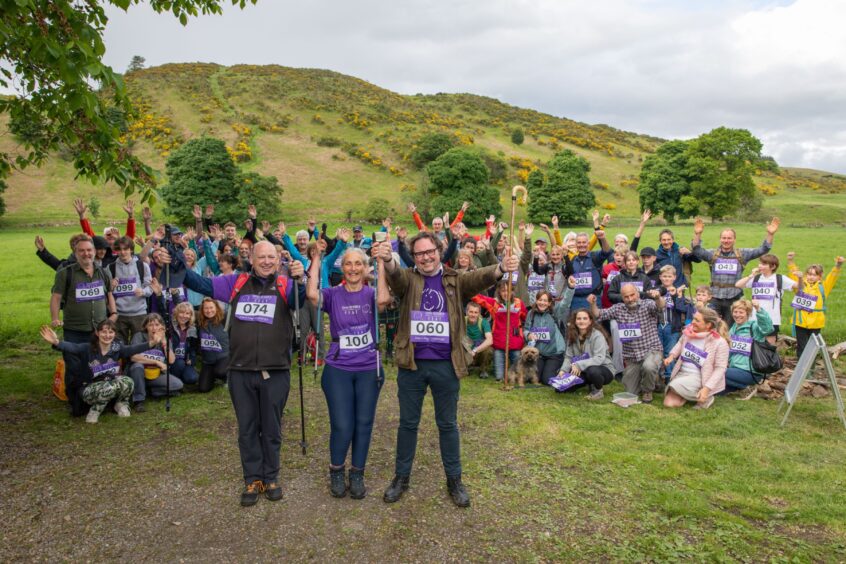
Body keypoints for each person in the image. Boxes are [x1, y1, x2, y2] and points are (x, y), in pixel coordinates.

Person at [373, 231, 518, 507]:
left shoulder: (454, 280)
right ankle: (401, 478)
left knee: (448, 424)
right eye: (419, 254)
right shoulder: (409, 279)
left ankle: (454, 480)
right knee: (407, 424)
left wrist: (501, 267)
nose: (425, 257)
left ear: (439, 252)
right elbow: (394, 273)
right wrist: (387, 259)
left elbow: (479, 277)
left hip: (446, 366)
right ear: (413, 257)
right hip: (412, 366)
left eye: (430, 252)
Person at [176, 241, 306, 506]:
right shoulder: (236, 282)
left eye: (272, 257)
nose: (267, 261)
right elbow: (200, 285)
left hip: (276, 370)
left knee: (271, 427)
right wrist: (175, 261)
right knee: (247, 428)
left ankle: (271, 476)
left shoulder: (284, 284)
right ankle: (252, 478)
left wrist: (301, 278)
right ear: (252, 258)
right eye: (262, 257)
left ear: (279, 259)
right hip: (240, 371)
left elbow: (302, 299)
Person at [306, 245, 387, 500]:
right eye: (348, 264)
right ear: (342, 267)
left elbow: (384, 300)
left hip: (368, 368)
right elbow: (311, 294)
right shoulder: (332, 294)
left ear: (365, 268)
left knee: (363, 424)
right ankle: (337, 470)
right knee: (342, 425)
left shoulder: (372, 294)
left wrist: (382, 264)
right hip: (339, 368)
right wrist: (317, 259)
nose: (353, 269)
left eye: (358, 264)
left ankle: (357, 473)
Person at [40, 319, 159, 423]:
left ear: (115, 334)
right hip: (88, 388)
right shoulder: (87, 348)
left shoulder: (117, 349)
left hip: (109, 384)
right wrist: (57, 342)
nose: (107, 335)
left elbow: (133, 348)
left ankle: (121, 404)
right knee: (108, 388)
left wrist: (152, 343)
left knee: (128, 382)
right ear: (97, 333)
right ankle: (95, 410)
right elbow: (73, 347)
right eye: (104, 332)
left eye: (111, 332)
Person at [50, 235, 117, 416]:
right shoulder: (66, 273)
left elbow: (109, 293)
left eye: (89, 250)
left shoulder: (104, 272)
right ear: (75, 253)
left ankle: (96, 399)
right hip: (74, 330)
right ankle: (76, 403)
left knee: (96, 366)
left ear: (95, 252)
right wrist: (55, 318)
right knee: (74, 368)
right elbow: (56, 297)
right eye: (82, 251)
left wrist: (114, 313)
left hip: (98, 330)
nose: (86, 254)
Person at [691, 217, 780, 321]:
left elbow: (763, 249)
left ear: (734, 239)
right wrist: (697, 234)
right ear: (720, 239)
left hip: (735, 297)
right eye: (724, 238)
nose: (726, 241)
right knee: (711, 325)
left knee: (731, 329)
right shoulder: (712, 254)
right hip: (715, 297)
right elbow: (697, 250)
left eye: (729, 238)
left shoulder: (742, 254)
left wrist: (770, 234)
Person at [589, 284, 664, 403]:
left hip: (651, 349)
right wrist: (592, 304)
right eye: (626, 297)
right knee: (630, 392)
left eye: (632, 295)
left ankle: (647, 391)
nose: (630, 299)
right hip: (632, 357)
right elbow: (598, 314)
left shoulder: (647, 304)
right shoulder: (618, 309)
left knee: (648, 366)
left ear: (638, 294)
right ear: (622, 298)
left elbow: (660, 307)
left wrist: (658, 297)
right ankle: (653, 380)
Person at [663, 307, 729, 409]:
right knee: (669, 403)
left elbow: (720, 368)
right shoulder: (688, 333)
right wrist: (671, 356)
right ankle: (694, 395)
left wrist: (707, 388)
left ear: (708, 325)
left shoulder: (719, 342)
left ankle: (706, 395)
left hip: (700, 377)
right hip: (682, 373)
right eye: (694, 318)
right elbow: (680, 344)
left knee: (674, 386)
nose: (692, 322)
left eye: (697, 320)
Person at [787, 254, 843, 357]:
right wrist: (790, 261)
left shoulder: (823, 288)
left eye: (814, 274)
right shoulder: (800, 285)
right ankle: (802, 370)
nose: (811, 276)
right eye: (809, 274)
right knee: (801, 347)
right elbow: (794, 275)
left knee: (813, 347)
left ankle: (811, 368)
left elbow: (832, 277)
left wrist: (838, 265)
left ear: (820, 276)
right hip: (800, 322)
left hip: (816, 323)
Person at [472, 279, 528, 382]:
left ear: (513, 291)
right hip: (499, 344)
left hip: (515, 343)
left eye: (509, 290)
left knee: (518, 375)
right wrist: (468, 286)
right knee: (499, 377)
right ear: (499, 292)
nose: (506, 293)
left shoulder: (519, 303)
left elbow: (527, 318)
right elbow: (478, 298)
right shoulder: (494, 303)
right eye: (503, 290)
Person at [735, 253, 797, 343]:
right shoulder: (756, 278)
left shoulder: (780, 278)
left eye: (764, 264)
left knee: (769, 346)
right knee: (754, 344)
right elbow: (738, 285)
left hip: (772, 319)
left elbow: (798, 286)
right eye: (760, 263)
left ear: (772, 266)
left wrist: (796, 272)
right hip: (754, 318)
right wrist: (751, 275)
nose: (760, 266)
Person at [127, 313, 184, 409]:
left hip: (156, 374)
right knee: (137, 366)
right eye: (150, 325)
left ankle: (152, 391)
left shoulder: (165, 339)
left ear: (162, 326)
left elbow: (171, 360)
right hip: (138, 373)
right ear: (146, 326)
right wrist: (156, 362)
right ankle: (139, 400)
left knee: (178, 385)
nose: (154, 328)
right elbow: (133, 357)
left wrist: (164, 343)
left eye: (157, 325)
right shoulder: (139, 336)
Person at [557, 309, 615, 399]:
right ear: (575, 321)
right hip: (582, 370)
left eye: (585, 318)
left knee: (592, 371)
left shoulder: (597, 335)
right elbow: (568, 357)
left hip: (603, 369)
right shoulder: (572, 335)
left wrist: (578, 365)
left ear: (590, 321)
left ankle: (598, 391)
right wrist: (563, 371)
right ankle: (589, 383)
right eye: (579, 318)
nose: (582, 321)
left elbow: (599, 358)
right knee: (560, 389)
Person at [524, 285, 575, 385]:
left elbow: (565, 303)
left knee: (547, 380)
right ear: (536, 300)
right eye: (540, 300)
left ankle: (562, 370)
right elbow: (526, 329)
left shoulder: (554, 312)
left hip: (554, 354)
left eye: (545, 301)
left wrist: (570, 288)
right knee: (534, 379)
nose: (542, 303)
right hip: (539, 354)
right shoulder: (531, 313)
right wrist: (528, 334)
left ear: (549, 303)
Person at [724, 299, 773, 398]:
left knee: (719, 372)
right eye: (735, 312)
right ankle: (741, 388)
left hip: (750, 371)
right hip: (734, 369)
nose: (737, 315)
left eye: (741, 312)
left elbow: (768, 328)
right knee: (717, 391)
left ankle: (749, 387)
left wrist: (759, 309)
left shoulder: (754, 327)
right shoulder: (733, 329)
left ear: (748, 313)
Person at [108, 236, 152, 344]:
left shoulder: (142, 266)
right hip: (119, 314)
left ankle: (135, 361)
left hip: (139, 313)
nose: (123, 252)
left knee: (138, 345)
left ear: (131, 250)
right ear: (116, 251)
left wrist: (143, 291)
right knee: (119, 345)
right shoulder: (110, 268)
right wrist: (111, 286)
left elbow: (150, 288)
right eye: (119, 249)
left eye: (125, 249)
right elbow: (106, 293)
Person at [569, 224, 612, 311]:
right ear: (576, 244)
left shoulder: (595, 256)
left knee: (594, 324)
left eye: (584, 242)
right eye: (579, 242)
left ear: (588, 243)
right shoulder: (572, 260)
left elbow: (607, 252)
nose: (581, 245)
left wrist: (603, 238)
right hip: (575, 301)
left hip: (592, 299)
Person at [197, 297, 229, 393]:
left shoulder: (224, 318)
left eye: (211, 307)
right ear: (202, 310)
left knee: (220, 371)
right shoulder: (199, 321)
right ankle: (213, 377)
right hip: (208, 362)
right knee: (203, 389)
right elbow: (184, 312)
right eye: (206, 308)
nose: (209, 310)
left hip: (224, 357)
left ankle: (229, 376)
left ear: (216, 307)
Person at [464, 301, 493, 378]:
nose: (473, 315)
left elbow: (490, 340)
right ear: (466, 312)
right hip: (466, 349)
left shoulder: (483, 322)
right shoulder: (462, 321)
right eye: (471, 312)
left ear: (479, 313)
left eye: (476, 312)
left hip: (478, 350)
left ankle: (483, 370)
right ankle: (466, 367)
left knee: (488, 349)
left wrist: (475, 350)